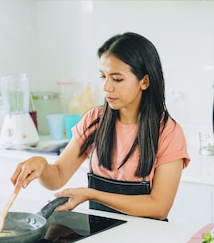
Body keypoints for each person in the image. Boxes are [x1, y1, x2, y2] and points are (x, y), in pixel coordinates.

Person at [11, 32, 190, 220]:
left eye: (117, 79)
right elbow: (57, 176)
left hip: (147, 239)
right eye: (103, 76)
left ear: (144, 81)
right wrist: (42, 167)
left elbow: (159, 207)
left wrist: (92, 194)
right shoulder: (95, 120)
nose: (106, 86)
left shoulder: (168, 132)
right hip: (102, 239)